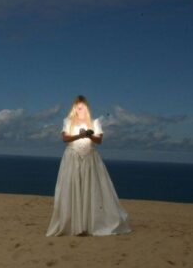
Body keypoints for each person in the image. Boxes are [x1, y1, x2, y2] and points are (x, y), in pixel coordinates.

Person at [46, 95, 131, 236]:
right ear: (75, 108)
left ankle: (90, 224)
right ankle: (74, 225)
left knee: (92, 189)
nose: (81, 110)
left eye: (83, 107)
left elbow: (99, 140)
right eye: (78, 107)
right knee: (73, 188)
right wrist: (79, 136)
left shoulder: (95, 122)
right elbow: (65, 138)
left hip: (90, 158)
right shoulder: (68, 122)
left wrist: (88, 135)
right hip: (72, 158)